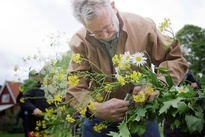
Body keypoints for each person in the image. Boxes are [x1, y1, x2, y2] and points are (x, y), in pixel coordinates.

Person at [65, 0, 188, 136]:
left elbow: (174, 59)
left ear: (113, 6)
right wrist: (96, 109)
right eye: (96, 33)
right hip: (100, 119)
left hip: (142, 110)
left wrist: (157, 84)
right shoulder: (79, 41)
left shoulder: (143, 26)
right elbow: (74, 89)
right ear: (83, 23)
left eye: (108, 26)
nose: (105, 36)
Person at [20, 70, 51, 137]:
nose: (36, 78)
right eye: (34, 76)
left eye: (37, 76)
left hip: (48, 126)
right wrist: (34, 109)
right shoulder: (30, 88)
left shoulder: (48, 88)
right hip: (34, 126)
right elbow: (24, 101)